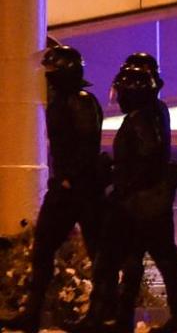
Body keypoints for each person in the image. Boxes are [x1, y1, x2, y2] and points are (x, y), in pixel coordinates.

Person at [82, 65, 177, 333]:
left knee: (111, 261)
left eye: (122, 90)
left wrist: (119, 181)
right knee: (156, 260)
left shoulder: (141, 118)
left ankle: (104, 318)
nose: (118, 97)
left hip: (138, 204)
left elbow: (146, 159)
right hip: (148, 202)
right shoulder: (154, 112)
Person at [0, 46, 105, 333]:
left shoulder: (80, 101)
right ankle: (32, 314)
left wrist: (69, 178)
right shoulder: (63, 100)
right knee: (43, 248)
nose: (48, 77)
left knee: (96, 253)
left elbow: (86, 144)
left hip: (80, 189)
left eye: (53, 71)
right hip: (68, 188)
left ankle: (100, 315)